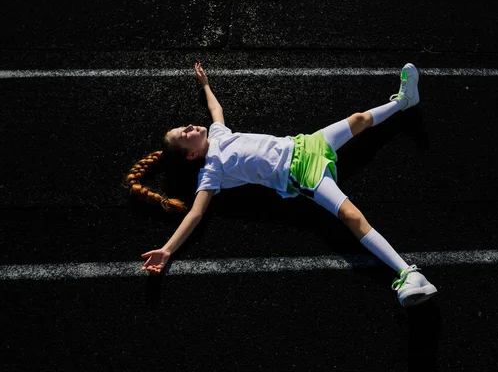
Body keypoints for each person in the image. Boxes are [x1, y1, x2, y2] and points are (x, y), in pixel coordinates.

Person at [126, 61, 437, 307]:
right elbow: (195, 214)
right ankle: (406, 273)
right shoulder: (212, 172)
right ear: (192, 154)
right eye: (184, 133)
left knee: (358, 119)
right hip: (302, 176)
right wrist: (167, 250)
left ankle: (405, 101)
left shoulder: (217, 133)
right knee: (351, 217)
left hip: (306, 144)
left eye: (184, 126)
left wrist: (206, 85)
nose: (189, 126)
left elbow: (215, 111)